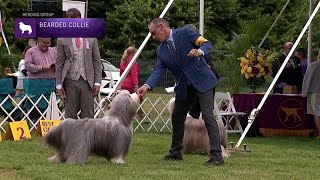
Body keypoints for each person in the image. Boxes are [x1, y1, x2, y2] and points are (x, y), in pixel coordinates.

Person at [137, 18, 223, 166]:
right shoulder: (161, 51)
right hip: (184, 86)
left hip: (203, 81)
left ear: (161, 27)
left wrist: (200, 51)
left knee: (208, 116)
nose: (153, 37)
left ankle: (216, 156)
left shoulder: (186, 32)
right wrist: (146, 86)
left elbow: (207, 43)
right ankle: (176, 152)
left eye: (153, 33)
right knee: (177, 116)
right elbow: (158, 70)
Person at [55, 8, 102, 119]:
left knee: (88, 114)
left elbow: (97, 60)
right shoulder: (61, 38)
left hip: (87, 80)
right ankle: (70, 136)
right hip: (69, 80)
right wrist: (59, 85)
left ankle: (89, 136)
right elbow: (59, 63)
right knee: (70, 114)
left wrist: (97, 82)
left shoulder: (91, 36)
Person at [302, 50, 320, 137]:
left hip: (315, 92)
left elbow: (307, 79)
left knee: (317, 113)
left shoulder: (313, 65)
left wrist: (304, 93)